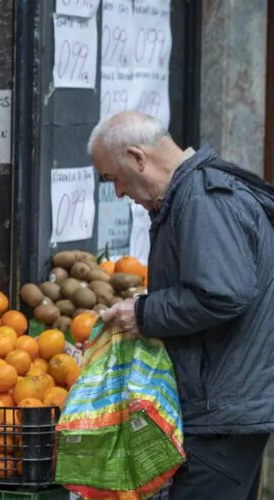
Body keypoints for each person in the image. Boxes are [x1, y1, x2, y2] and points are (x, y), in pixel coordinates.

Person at [88, 111, 274, 499]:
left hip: (221, 409)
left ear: (138, 158)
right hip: (225, 405)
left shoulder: (204, 199)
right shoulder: (194, 194)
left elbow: (224, 294)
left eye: (113, 178)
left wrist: (142, 314)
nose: (119, 192)